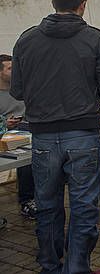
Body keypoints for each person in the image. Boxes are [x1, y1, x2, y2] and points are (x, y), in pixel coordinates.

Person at [10, 0, 100, 273]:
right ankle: (76, 268)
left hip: (44, 135)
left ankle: (50, 265)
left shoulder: (26, 39)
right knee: (84, 207)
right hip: (82, 132)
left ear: (52, 2)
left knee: (46, 205)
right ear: (83, 4)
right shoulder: (96, 38)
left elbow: (17, 90)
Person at [0, 54, 35, 219]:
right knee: (26, 156)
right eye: (10, 68)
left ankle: (37, 197)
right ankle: (27, 200)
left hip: (26, 129)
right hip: (5, 135)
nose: (15, 72)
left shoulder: (21, 89)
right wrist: (4, 123)